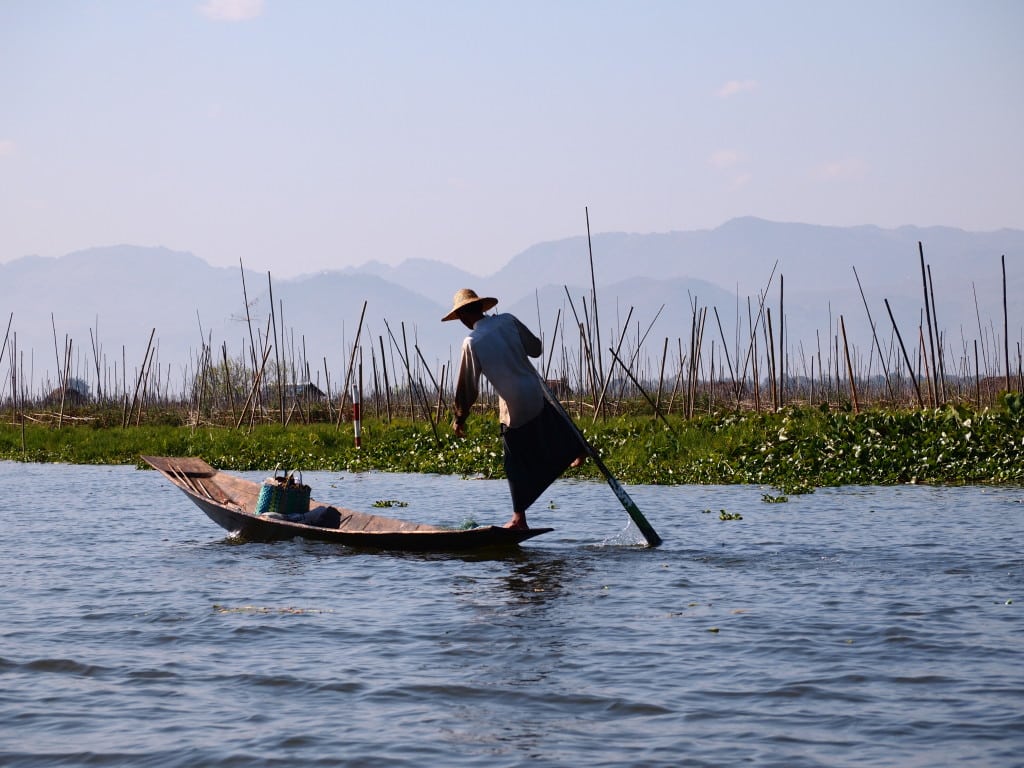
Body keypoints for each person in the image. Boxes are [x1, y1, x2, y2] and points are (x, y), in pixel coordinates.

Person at [442, 288, 585, 530]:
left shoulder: (471, 342)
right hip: (536, 391)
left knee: (514, 462)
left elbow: (467, 386)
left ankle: (519, 520)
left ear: (464, 317)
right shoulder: (508, 320)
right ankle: (576, 447)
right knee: (546, 427)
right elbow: (536, 349)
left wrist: (459, 417)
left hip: (513, 402)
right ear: (481, 309)